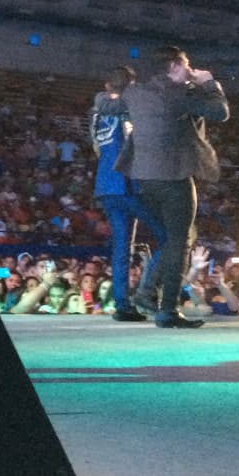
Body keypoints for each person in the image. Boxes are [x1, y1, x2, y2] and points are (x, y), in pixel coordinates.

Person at [117, 46, 229, 329]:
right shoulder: (179, 94)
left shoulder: (135, 92)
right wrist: (209, 83)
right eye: (187, 65)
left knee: (171, 240)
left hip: (143, 177)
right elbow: (220, 112)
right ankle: (167, 310)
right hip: (174, 176)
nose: (191, 69)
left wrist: (109, 94)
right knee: (180, 242)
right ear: (174, 67)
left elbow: (107, 105)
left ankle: (146, 293)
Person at [90, 65, 166, 322]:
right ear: (129, 87)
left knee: (122, 248)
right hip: (128, 184)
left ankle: (123, 305)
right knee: (169, 237)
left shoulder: (97, 113)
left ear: (107, 85)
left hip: (105, 183)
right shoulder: (129, 109)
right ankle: (145, 292)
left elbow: (96, 148)